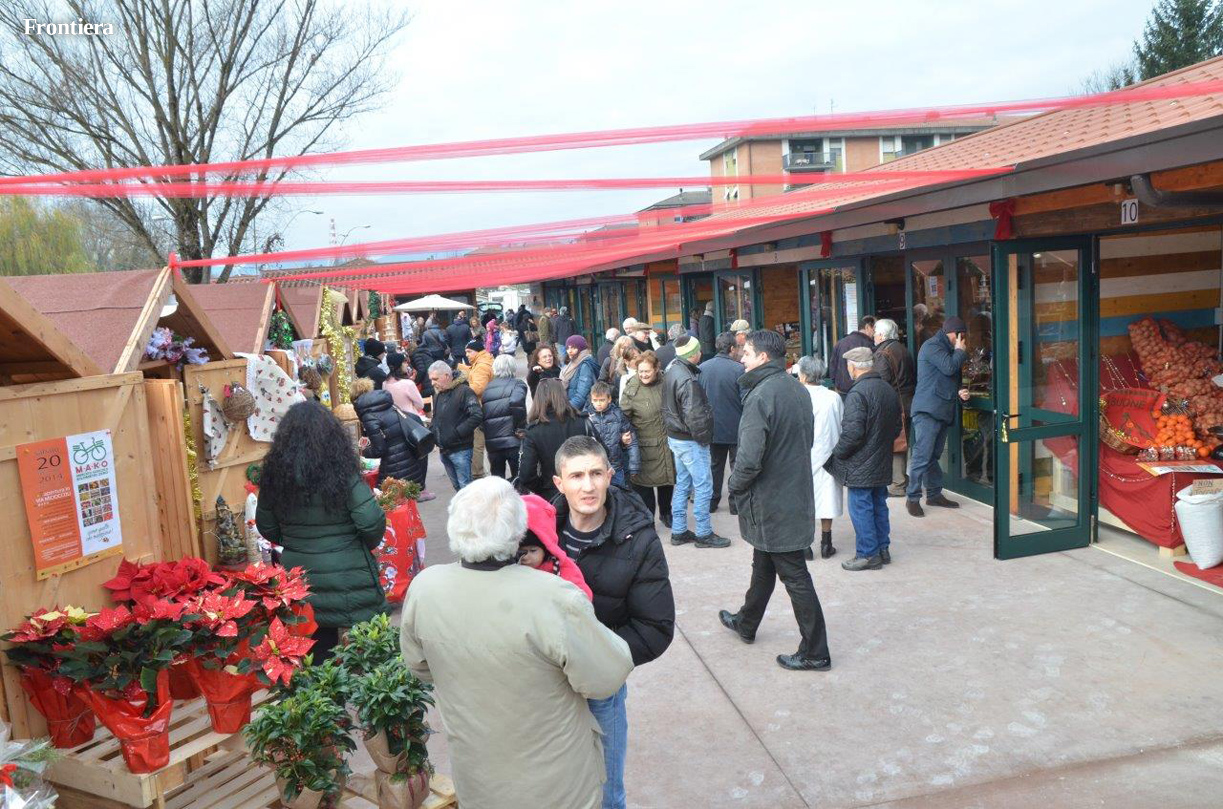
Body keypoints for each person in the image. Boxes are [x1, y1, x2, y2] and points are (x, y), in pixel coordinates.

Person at [399, 477, 633, 809]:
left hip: (478, 780)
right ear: (517, 531)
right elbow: (607, 677)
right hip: (556, 789)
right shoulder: (553, 596)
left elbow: (420, 667)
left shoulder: (425, 587)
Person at [551, 436, 675, 809]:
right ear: (559, 483)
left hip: (600, 687)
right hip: (546, 687)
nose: (587, 486)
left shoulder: (638, 540)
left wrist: (595, 661)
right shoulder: (540, 532)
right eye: (576, 476)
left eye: (595, 474)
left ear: (609, 475)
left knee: (605, 793)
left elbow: (655, 628)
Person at [719, 330, 831, 672]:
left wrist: (734, 487)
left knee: (794, 575)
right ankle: (746, 621)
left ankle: (816, 651)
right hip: (790, 495)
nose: (742, 359)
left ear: (763, 358)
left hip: (772, 501)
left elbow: (748, 460)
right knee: (764, 562)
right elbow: (804, 441)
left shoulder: (761, 395)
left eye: (747, 353)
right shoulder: (797, 389)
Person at [256, 401, 387, 661]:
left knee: (315, 653)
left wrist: (295, 541)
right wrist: (358, 544)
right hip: (349, 575)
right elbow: (370, 521)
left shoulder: (274, 478)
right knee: (365, 657)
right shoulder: (343, 473)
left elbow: (267, 526)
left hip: (300, 576)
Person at [827, 346, 901, 571]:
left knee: (861, 509)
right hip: (881, 459)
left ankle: (868, 554)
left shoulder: (857, 393)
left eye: (848, 366)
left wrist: (837, 454)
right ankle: (882, 549)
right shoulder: (888, 389)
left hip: (861, 464)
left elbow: (852, 434)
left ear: (853, 367)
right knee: (878, 505)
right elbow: (897, 428)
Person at [661, 335, 729, 548]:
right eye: (698, 350)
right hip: (689, 440)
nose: (701, 353)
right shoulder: (687, 379)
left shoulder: (673, 370)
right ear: (693, 354)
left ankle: (679, 530)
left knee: (683, 483)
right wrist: (704, 440)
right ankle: (703, 533)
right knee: (703, 485)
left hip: (677, 436)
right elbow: (695, 416)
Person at [907, 316, 970, 517]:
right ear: (954, 334)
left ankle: (934, 494)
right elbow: (949, 367)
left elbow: (950, 378)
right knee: (922, 456)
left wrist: (960, 391)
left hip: (941, 411)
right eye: (961, 336)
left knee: (933, 456)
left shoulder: (949, 350)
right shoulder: (932, 346)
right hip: (928, 411)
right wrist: (959, 351)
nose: (962, 340)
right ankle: (912, 498)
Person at [620, 351, 674, 527]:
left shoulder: (666, 382)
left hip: (666, 444)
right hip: (644, 447)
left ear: (656, 369)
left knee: (667, 482)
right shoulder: (632, 389)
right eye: (640, 371)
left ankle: (666, 513)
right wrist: (623, 435)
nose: (643, 375)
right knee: (645, 488)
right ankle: (648, 520)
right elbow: (623, 417)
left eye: (647, 371)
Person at [796, 356, 843, 559]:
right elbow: (841, 425)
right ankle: (826, 543)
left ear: (804, 375)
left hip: (802, 455)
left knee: (802, 498)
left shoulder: (797, 396)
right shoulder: (833, 398)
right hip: (828, 455)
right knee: (827, 498)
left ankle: (805, 545)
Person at [351, 376, 430, 493]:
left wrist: (364, 452)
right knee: (408, 498)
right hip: (408, 460)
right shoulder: (386, 403)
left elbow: (379, 449)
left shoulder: (369, 416)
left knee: (386, 497)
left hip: (393, 466)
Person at [518, 378, 591, 503]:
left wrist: (543, 488)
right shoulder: (582, 422)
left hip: (551, 494)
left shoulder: (534, 431)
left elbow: (526, 475)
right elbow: (603, 453)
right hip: (584, 488)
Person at [699, 332, 744, 514]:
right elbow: (745, 399)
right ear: (732, 348)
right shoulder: (739, 369)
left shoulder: (702, 368)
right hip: (736, 427)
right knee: (737, 466)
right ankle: (735, 504)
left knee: (714, 466)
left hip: (712, 427)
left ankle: (712, 501)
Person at [518, 492, 591, 599]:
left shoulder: (560, 568)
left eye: (533, 550)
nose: (525, 557)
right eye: (520, 551)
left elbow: (583, 597)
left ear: (546, 549)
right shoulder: (510, 569)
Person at [873, 318, 916, 497]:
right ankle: (900, 480)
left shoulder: (883, 353)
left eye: (875, 333)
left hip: (894, 404)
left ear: (882, 335)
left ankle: (897, 484)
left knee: (897, 443)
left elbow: (881, 383)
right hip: (907, 401)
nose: (874, 336)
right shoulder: (902, 349)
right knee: (901, 442)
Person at [428, 361, 482, 492]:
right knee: (458, 487)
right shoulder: (439, 394)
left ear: (446, 376)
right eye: (431, 379)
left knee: (465, 488)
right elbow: (436, 417)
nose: (432, 383)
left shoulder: (464, 391)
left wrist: (457, 433)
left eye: (435, 379)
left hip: (460, 449)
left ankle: (471, 506)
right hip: (444, 450)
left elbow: (476, 415)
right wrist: (433, 433)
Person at [585, 381, 639, 490]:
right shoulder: (587, 416)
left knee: (619, 494)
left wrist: (634, 465)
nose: (598, 403)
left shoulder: (618, 415)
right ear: (591, 399)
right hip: (595, 467)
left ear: (609, 399)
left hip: (616, 467)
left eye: (602, 400)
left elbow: (631, 441)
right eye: (595, 400)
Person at [481, 354, 528, 480]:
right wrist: (520, 427)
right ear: (513, 367)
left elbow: (483, 414)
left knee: (498, 481)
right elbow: (516, 403)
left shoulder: (487, 389)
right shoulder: (517, 384)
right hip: (513, 441)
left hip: (493, 443)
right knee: (519, 479)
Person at [461, 339, 494, 480]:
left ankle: (478, 475)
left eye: (469, 352)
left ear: (477, 351)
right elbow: (473, 372)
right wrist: (460, 367)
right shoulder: (481, 362)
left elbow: (478, 388)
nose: (467, 355)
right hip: (487, 408)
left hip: (480, 408)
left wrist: (462, 389)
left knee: (477, 445)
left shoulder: (481, 366)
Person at [830, 316, 876, 395]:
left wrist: (838, 384)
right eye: (874, 329)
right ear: (867, 327)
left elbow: (832, 370)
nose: (875, 333)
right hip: (863, 392)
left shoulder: (840, 343)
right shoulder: (869, 344)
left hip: (842, 391)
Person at [560, 335, 600, 411]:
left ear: (581, 349)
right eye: (568, 348)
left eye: (573, 348)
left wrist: (566, 410)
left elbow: (581, 396)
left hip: (579, 411)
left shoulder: (585, 366)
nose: (569, 351)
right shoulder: (571, 363)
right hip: (571, 407)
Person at [384, 351, 425, 417]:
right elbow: (420, 405)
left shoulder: (385, 383)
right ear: (399, 364)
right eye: (404, 362)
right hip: (410, 417)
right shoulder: (408, 384)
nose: (407, 365)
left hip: (394, 417)